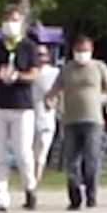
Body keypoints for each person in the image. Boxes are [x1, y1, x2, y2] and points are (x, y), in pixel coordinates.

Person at [0, 7, 43, 213]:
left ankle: (30, 187)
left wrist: (18, 76)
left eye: (14, 20)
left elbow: (35, 74)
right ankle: (0, 198)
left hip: (22, 107)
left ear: (22, 22)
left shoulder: (29, 47)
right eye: (7, 20)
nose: (10, 24)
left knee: (23, 152)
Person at [48, 34, 107, 210]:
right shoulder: (66, 69)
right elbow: (55, 90)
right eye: (79, 50)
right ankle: (74, 197)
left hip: (93, 120)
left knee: (92, 160)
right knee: (71, 161)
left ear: (91, 51)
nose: (82, 54)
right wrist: (50, 100)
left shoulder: (99, 67)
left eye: (85, 50)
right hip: (71, 120)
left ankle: (91, 194)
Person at [30, 41, 63, 187]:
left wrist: (54, 102)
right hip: (27, 116)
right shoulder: (28, 72)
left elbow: (61, 93)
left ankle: (36, 181)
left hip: (46, 117)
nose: (40, 58)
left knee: (41, 150)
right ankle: (29, 181)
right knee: (27, 152)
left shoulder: (55, 73)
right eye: (37, 55)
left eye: (42, 54)